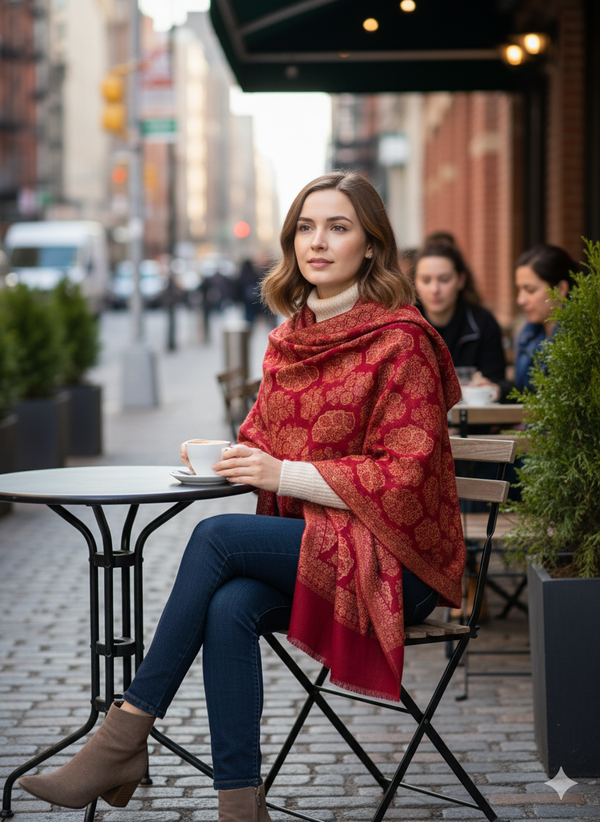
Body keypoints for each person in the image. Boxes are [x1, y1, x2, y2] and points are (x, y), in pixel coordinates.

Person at [19, 172, 466, 822]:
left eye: (338, 227)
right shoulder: (292, 339)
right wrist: (224, 454)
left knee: (218, 537)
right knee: (229, 606)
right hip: (321, 547)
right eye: (305, 228)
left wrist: (281, 474)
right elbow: (263, 443)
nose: (317, 242)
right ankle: (239, 807)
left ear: (371, 245)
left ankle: (122, 737)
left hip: (399, 561)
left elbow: (404, 478)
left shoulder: (403, 341)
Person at [414, 239, 506, 385]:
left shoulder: (483, 324)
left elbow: (496, 381)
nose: (435, 289)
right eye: (426, 280)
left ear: (461, 280)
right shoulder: (404, 325)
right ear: (415, 282)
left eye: (444, 280)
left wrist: (489, 386)